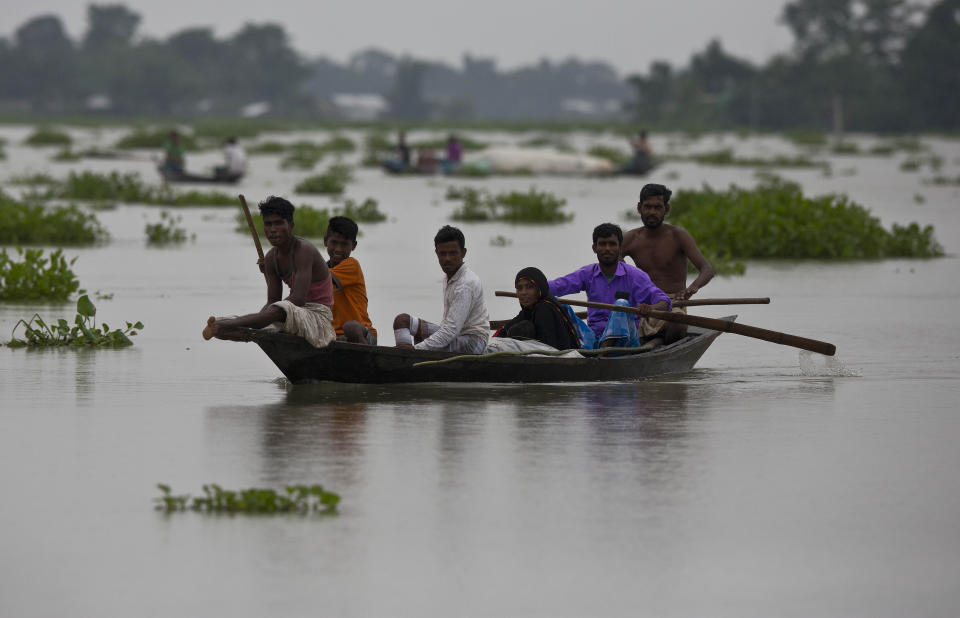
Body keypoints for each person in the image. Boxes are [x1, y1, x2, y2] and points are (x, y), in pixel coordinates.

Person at [202, 196, 335, 348]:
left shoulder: (304, 250)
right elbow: (272, 300)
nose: (273, 230)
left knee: (278, 309)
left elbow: (298, 299)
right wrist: (260, 321)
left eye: (279, 223)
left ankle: (227, 324)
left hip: (317, 318)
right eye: (268, 224)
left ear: (290, 225)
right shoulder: (271, 258)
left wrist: (262, 317)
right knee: (224, 331)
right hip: (293, 314)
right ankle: (221, 327)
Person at [549, 223, 671, 348]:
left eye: (612, 244)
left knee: (621, 304)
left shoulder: (635, 276)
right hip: (594, 338)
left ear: (620, 248)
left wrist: (651, 308)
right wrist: (532, 285)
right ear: (594, 248)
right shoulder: (587, 273)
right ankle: (592, 348)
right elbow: (557, 286)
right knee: (561, 306)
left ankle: (604, 350)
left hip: (626, 342)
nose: (607, 249)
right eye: (602, 244)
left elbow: (664, 301)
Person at [620, 183, 715, 345]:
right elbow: (614, 271)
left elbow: (707, 269)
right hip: (642, 306)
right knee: (615, 324)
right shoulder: (630, 239)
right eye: (647, 207)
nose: (652, 212)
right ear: (639, 208)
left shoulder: (678, 236)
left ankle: (659, 342)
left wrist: (690, 289)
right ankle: (651, 340)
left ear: (666, 209)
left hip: (673, 304)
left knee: (678, 322)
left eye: (657, 207)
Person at [393, 225, 489, 353]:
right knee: (402, 321)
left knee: (422, 343)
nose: (447, 259)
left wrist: (416, 349)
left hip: (473, 342)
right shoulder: (449, 277)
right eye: (442, 253)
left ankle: (405, 357)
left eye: (453, 253)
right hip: (455, 335)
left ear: (463, 253)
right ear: (436, 253)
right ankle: (404, 357)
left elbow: (450, 331)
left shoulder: (466, 284)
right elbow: (447, 328)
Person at [493, 267, 580, 350]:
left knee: (525, 328)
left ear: (539, 288)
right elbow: (505, 329)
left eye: (529, 287)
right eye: (519, 288)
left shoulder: (544, 309)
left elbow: (548, 349)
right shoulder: (528, 310)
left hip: (557, 362)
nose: (523, 292)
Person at [324, 215, 377, 345]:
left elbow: (319, 276)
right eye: (334, 242)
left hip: (362, 335)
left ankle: (366, 359)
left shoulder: (352, 265)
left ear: (353, 246)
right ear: (325, 241)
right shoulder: (322, 269)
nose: (338, 249)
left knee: (351, 327)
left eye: (344, 244)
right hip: (333, 337)